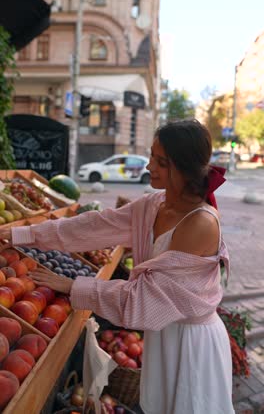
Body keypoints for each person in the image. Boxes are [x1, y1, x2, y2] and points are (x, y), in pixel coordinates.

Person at [0, 119, 234, 414]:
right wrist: (24, 234)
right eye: (151, 156)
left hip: (190, 346)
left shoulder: (200, 223)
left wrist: (73, 286)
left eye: (159, 161)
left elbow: (143, 301)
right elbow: (93, 226)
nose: (149, 166)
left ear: (182, 168)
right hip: (164, 337)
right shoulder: (154, 205)